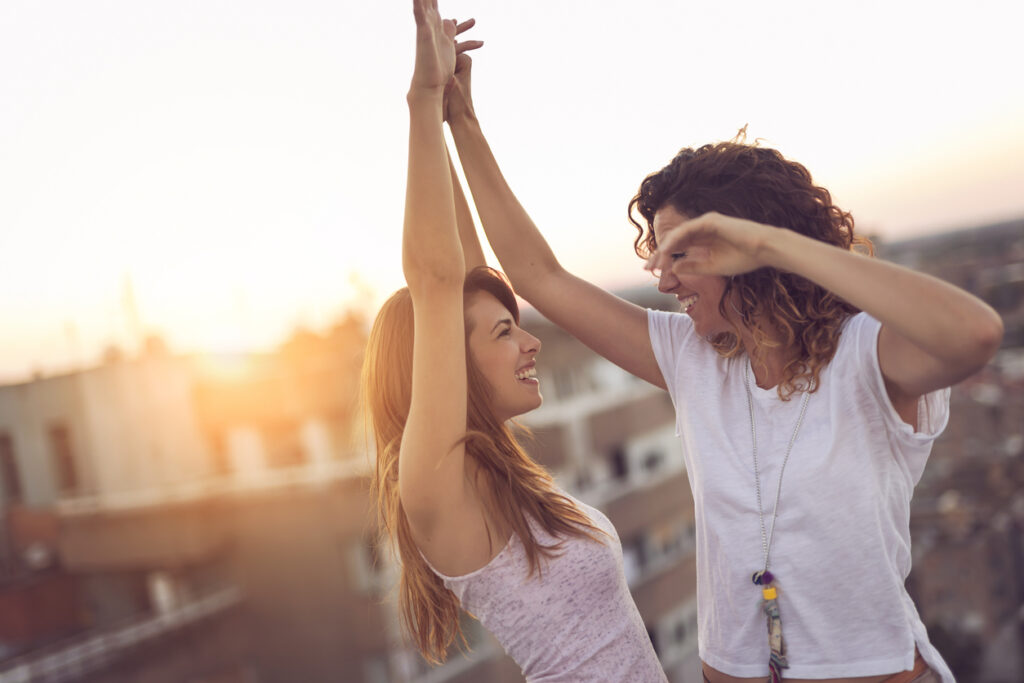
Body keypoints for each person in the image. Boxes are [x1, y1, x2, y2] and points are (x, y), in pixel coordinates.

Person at [443, 34, 1003, 683]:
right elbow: (536, 274)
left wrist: (773, 242)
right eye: (656, 254)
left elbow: (974, 335)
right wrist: (461, 120)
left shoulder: (865, 356)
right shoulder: (691, 358)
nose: (664, 276)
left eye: (682, 253)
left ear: (746, 245)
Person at [361, 2, 667, 680]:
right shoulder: (438, 484)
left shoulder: (498, 469)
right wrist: (420, 99)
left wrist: (457, 118)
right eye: (506, 333)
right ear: (444, 360)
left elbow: (466, 275)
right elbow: (439, 279)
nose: (531, 346)